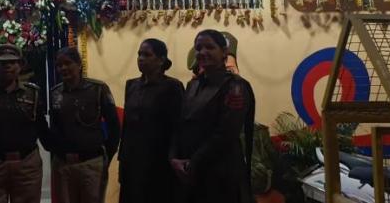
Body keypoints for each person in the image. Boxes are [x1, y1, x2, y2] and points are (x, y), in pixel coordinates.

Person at [171, 29, 256, 203]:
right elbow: (180, 124)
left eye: (209, 47)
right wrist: (174, 158)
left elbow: (226, 133)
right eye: (198, 48)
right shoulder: (193, 85)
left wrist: (193, 162)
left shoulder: (236, 86)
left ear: (224, 52)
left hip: (221, 175)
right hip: (190, 173)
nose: (202, 52)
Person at [0, 44, 50, 203]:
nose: (7, 66)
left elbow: (42, 128)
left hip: (26, 165)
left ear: (20, 65)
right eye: (2, 62)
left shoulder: (32, 93)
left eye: (12, 62)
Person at [49, 46, 120, 203]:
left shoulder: (98, 89)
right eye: (59, 65)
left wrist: (105, 156)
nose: (63, 68)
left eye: (67, 63)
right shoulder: (55, 93)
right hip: (64, 165)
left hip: (91, 164)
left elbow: (114, 126)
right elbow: (54, 129)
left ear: (79, 64)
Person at [118, 39, 184, 203]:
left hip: (158, 162)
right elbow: (127, 127)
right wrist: (122, 161)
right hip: (131, 161)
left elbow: (178, 127)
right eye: (139, 54)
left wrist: (173, 158)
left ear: (161, 60)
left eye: (147, 55)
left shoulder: (172, 86)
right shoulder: (132, 85)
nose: (141, 58)